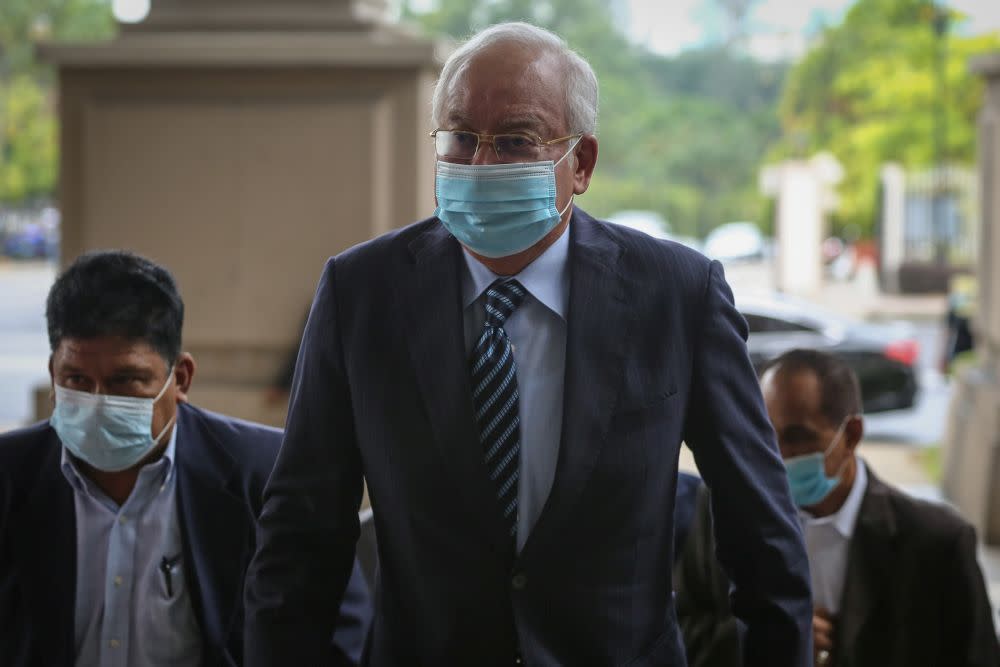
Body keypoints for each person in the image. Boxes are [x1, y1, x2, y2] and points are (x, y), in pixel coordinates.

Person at [244, 22, 812, 666]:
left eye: (515, 140)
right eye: (460, 137)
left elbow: (760, 530)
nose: (481, 164)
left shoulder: (677, 294)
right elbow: (300, 537)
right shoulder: (363, 292)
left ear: (582, 164)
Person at [0, 250, 373, 667]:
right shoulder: (10, 476)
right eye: (77, 381)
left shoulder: (264, 474)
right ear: (53, 373)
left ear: (180, 378)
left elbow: (339, 638)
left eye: (126, 380)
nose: (98, 401)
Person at [675, 348, 1000, 667]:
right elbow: (681, 635)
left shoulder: (936, 543)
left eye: (797, 437)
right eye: (765, 434)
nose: (776, 455)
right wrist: (764, 635)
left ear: (851, 435)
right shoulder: (721, 511)